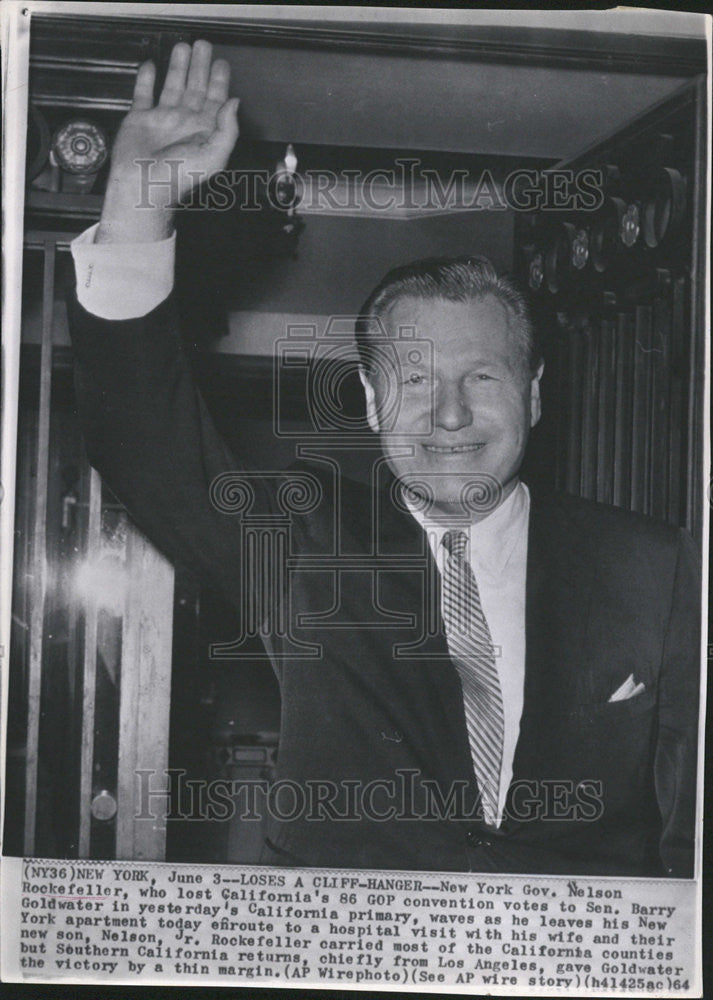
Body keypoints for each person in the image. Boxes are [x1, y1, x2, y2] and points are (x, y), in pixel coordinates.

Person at [68, 40, 699, 876]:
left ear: (535, 393)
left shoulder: (658, 569)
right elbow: (144, 442)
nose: (447, 415)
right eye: (412, 380)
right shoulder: (301, 542)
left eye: (481, 375)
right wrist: (137, 200)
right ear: (368, 403)